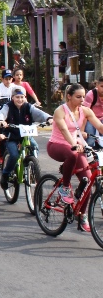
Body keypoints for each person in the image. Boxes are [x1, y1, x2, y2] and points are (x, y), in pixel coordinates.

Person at [47, 83, 103, 231]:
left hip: (75, 145)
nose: (82, 100)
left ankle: (82, 215)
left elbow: (100, 127)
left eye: (84, 97)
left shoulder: (85, 110)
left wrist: (77, 145)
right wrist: (74, 144)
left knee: (88, 181)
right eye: (78, 97)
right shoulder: (60, 111)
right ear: (69, 96)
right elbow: (64, 130)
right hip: (57, 145)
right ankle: (65, 187)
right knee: (72, 153)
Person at [0, 86, 53, 190]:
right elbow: (1, 115)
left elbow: (39, 113)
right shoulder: (8, 106)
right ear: (12, 97)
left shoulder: (28, 107)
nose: (20, 99)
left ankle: (32, 167)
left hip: (25, 135)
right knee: (14, 155)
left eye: (22, 97)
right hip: (12, 136)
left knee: (34, 146)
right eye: (17, 97)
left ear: (25, 97)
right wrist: (1, 121)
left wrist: (48, 118)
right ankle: (5, 174)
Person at [82, 76, 103, 143]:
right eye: (102, 86)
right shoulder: (91, 94)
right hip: (90, 118)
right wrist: (81, 130)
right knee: (90, 139)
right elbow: (84, 113)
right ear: (97, 85)